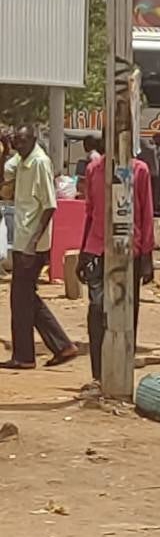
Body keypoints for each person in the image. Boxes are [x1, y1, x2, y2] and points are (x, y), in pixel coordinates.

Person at [77, 150, 155, 391]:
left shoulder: (139, 170)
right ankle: (99, 374)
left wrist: (147, 256)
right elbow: (90, 212)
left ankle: (122, 370)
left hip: (128, 251)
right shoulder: (94, 170)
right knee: (96, 309)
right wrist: (82, 251)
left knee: (127, 313)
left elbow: (146, 213)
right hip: (97, 249)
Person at [1, 126, 78, 370]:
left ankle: (26, 356)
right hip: (23, 239)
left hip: (33, 243)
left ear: (33, 140)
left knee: (21, 297)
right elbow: (6, 174)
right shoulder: (20, 160)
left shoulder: (39, 163)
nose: (18, 145)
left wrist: (34, 242)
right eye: (16, 141)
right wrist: (5, 150)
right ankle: (60, 346)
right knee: (24, 297)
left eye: (22, 141)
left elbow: (49, 205)